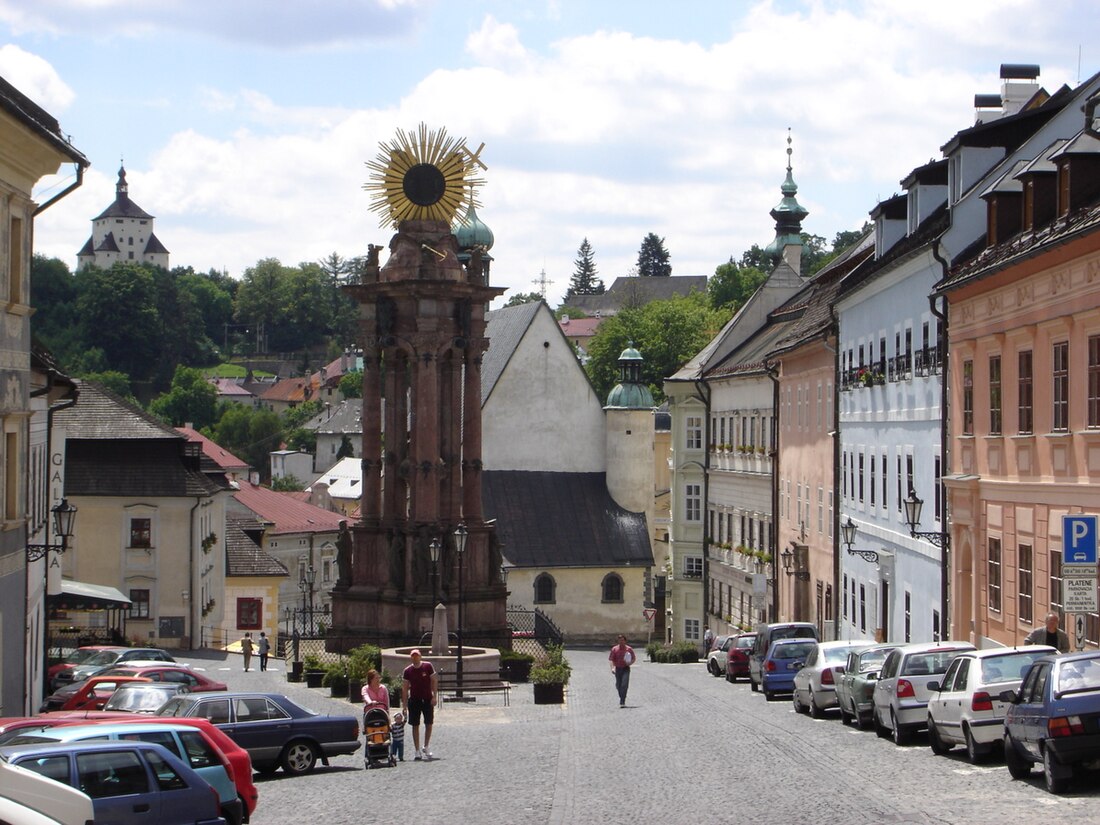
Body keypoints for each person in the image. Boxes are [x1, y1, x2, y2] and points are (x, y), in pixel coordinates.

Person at [402, 649, 437, 760]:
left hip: (427, 699)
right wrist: (404, 705)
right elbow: (405, 688)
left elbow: (434, 680)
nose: (415, 658)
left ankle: (426, 745)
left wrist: (434, 695)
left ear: (420, 656)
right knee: (415, 725)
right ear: (411, 658)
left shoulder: (428, 666)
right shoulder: (407, 671)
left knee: (429, 723)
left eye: (416, 656)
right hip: (414, 700)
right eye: (413, 656)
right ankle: (417, 750)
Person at [609, 634, 636, 707]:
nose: (621, 642)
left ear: (625, 641)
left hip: (625, 668)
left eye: (622, 640)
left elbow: (633, 658)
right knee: (618, 685)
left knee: (624, 684)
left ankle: (622, 700)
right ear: (618, 641)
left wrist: (630, 662)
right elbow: (611, 659)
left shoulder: (629, 649)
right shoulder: (614, 649)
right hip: (618, 668)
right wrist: (612, 668)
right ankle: (622, 696)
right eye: (620, 640)